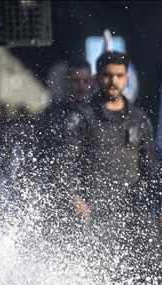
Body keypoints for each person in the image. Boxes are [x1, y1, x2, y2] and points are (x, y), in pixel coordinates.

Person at [61, 50, 162, 285]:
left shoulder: (139, 118)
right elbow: (65, 165)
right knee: (98, 283)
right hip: (96, 212)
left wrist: (161, 210)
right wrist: (75, 198)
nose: (113, 81)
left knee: (151, 276)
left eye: (119, 76)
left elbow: (151, 169)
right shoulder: (81, 117)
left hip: (134, 210)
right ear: (98, 78)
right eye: (108, 75)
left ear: (126, 79)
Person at [17, 59, 95, 219]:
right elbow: (32, 155)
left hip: (95, 190)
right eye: (76, 81)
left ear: (93, 81)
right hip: (60, 193)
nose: (81, 86)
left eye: (86, 81)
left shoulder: (100, 114)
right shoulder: (52, 115)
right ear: (67, 81)